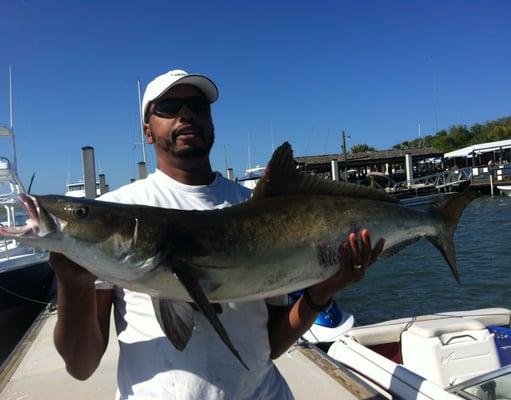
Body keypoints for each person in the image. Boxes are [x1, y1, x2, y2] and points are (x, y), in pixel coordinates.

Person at [50, 69, 384, 400]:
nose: (186, 114)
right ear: (147, 132)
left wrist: (321, 293)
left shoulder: (253, 206)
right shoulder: (116, 211)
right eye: (168, 108)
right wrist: (72, 284)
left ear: (211, 123)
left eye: (197, 106)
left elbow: (269, 345)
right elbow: (81, 366)